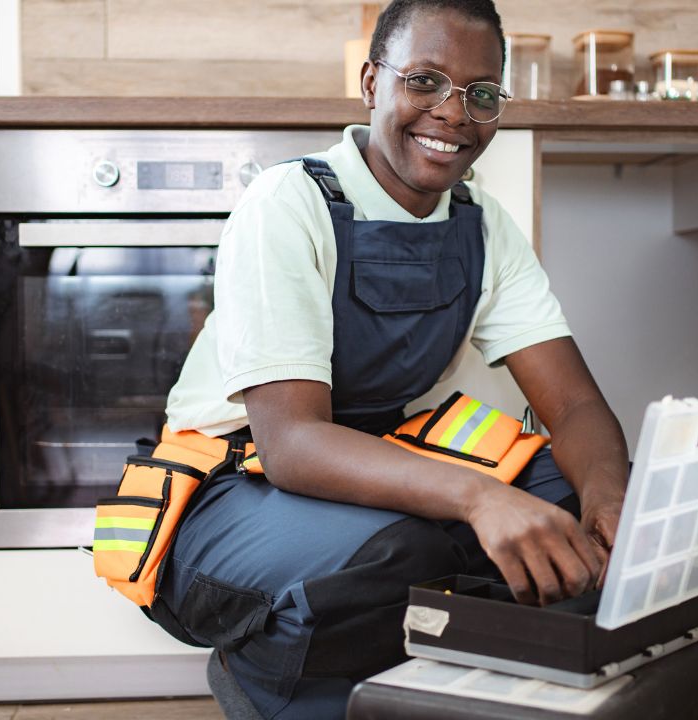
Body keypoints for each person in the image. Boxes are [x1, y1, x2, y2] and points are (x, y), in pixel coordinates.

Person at [155, 0, 629, 716]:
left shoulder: (484, 224)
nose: (453, 112)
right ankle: (263, 677)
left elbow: (573, 405)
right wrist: (480, 498)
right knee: (407, 552)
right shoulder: (288, 202)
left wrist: (611, 499)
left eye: (480, 93)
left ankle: (462, 685)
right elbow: (290, 443)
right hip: (234, 484)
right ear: (373, 83)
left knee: (564, 499)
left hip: (379, 463)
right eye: (425, 81)